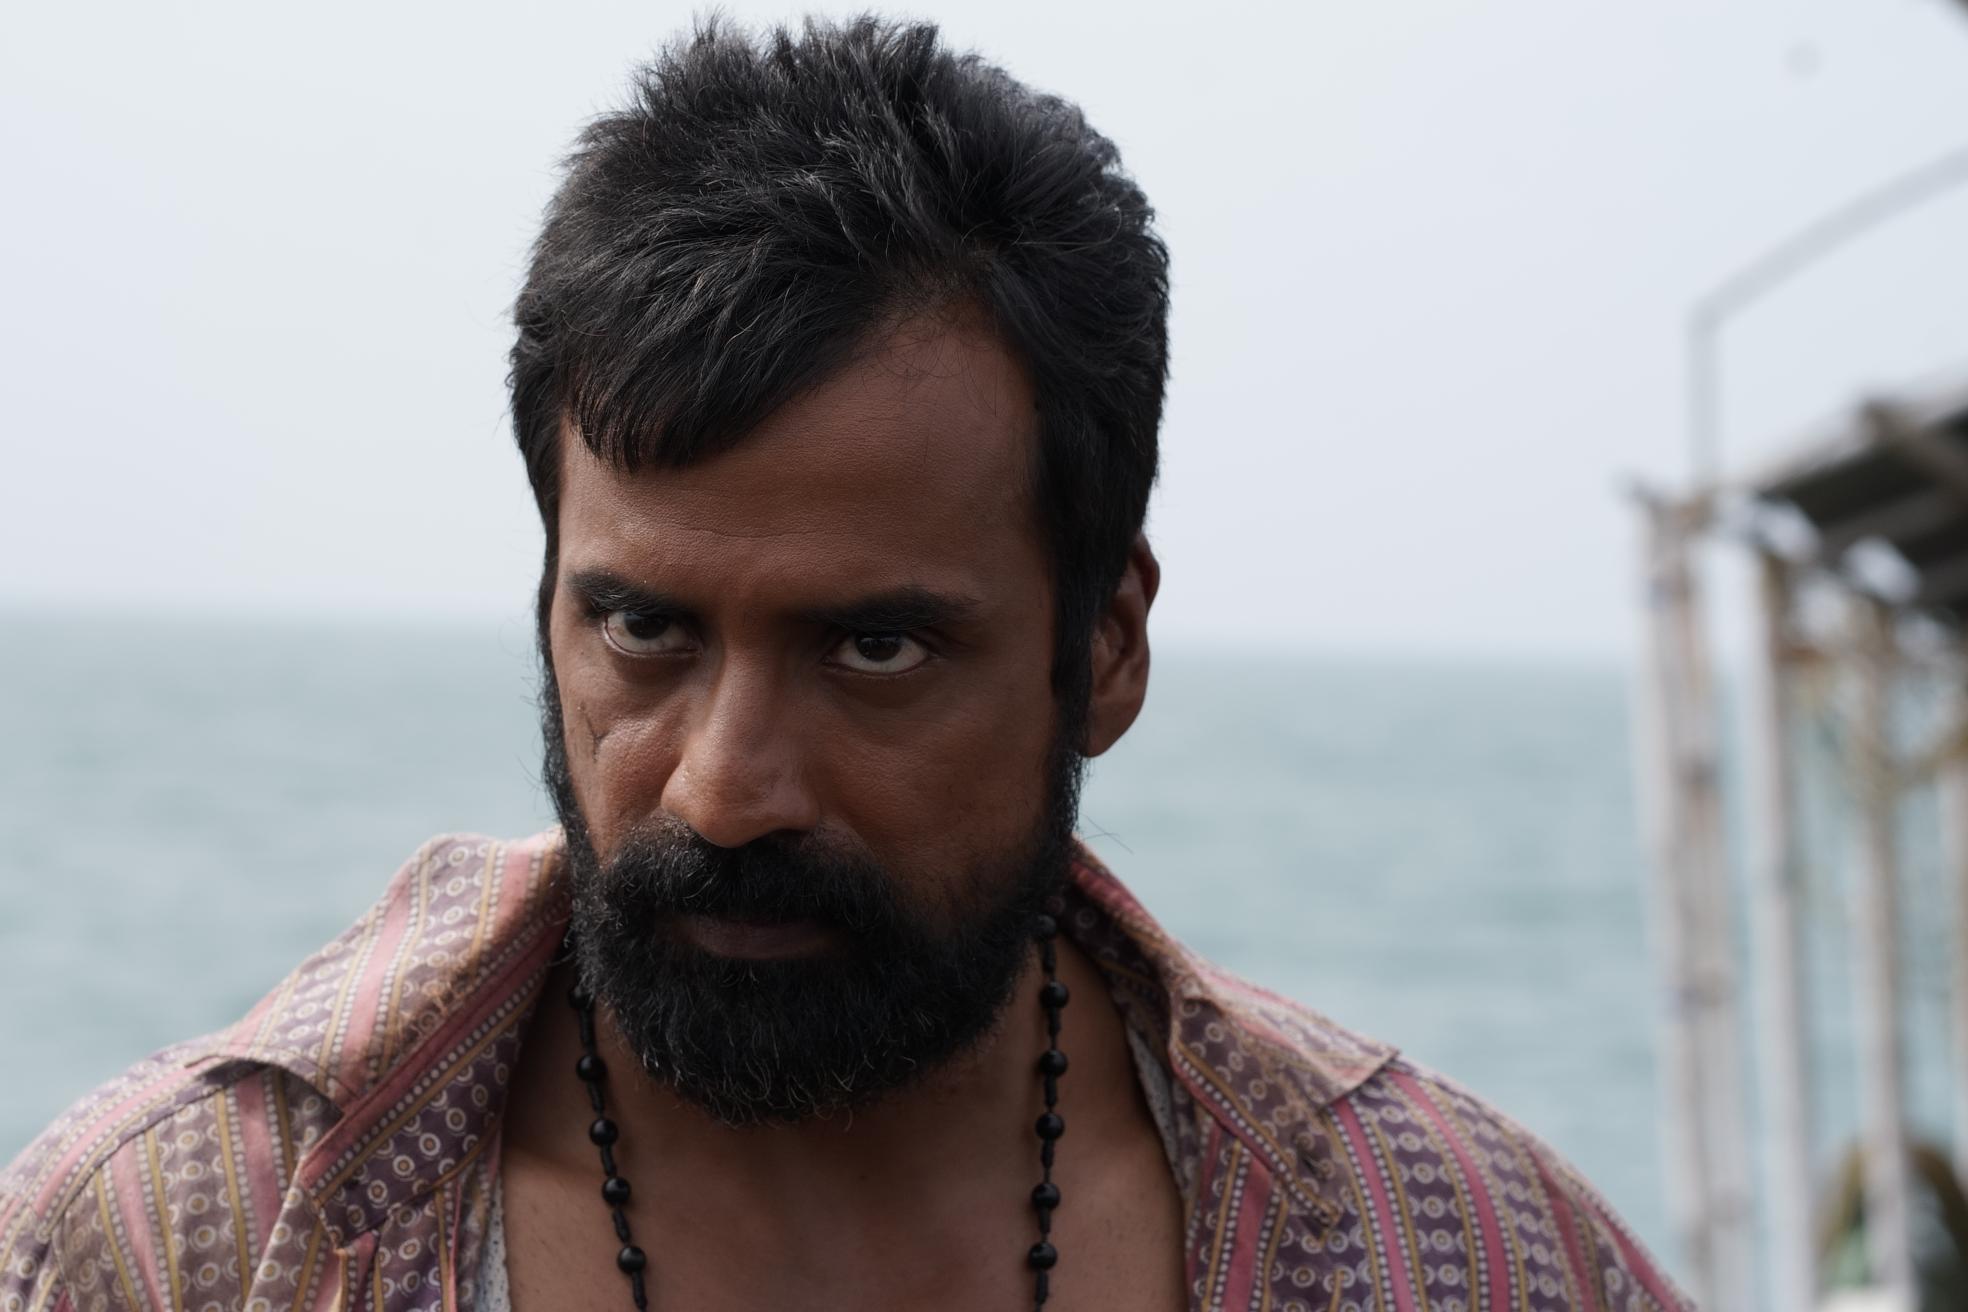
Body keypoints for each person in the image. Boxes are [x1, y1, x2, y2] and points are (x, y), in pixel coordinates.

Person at [1, 17, 1690, 1311]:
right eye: (643, 628)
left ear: (1104, 648)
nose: (724, 788)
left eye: (876, 647)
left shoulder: (1462, 1257)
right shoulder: (171, 1252)